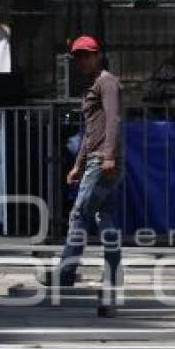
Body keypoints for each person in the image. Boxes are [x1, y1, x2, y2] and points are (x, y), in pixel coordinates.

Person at [42, 35, 123, 318]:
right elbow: (90, 132)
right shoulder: (92, 86)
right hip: (96, 159)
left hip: (103, 161)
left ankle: (64, 275)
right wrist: (78, 164)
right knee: (104, 218)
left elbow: (113, 119)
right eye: (78, 56)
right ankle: (113, 275)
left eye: (87, 55)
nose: (83, 60)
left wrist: (109, 155)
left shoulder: (106, 82)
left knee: (79, 215)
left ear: (98, 55)